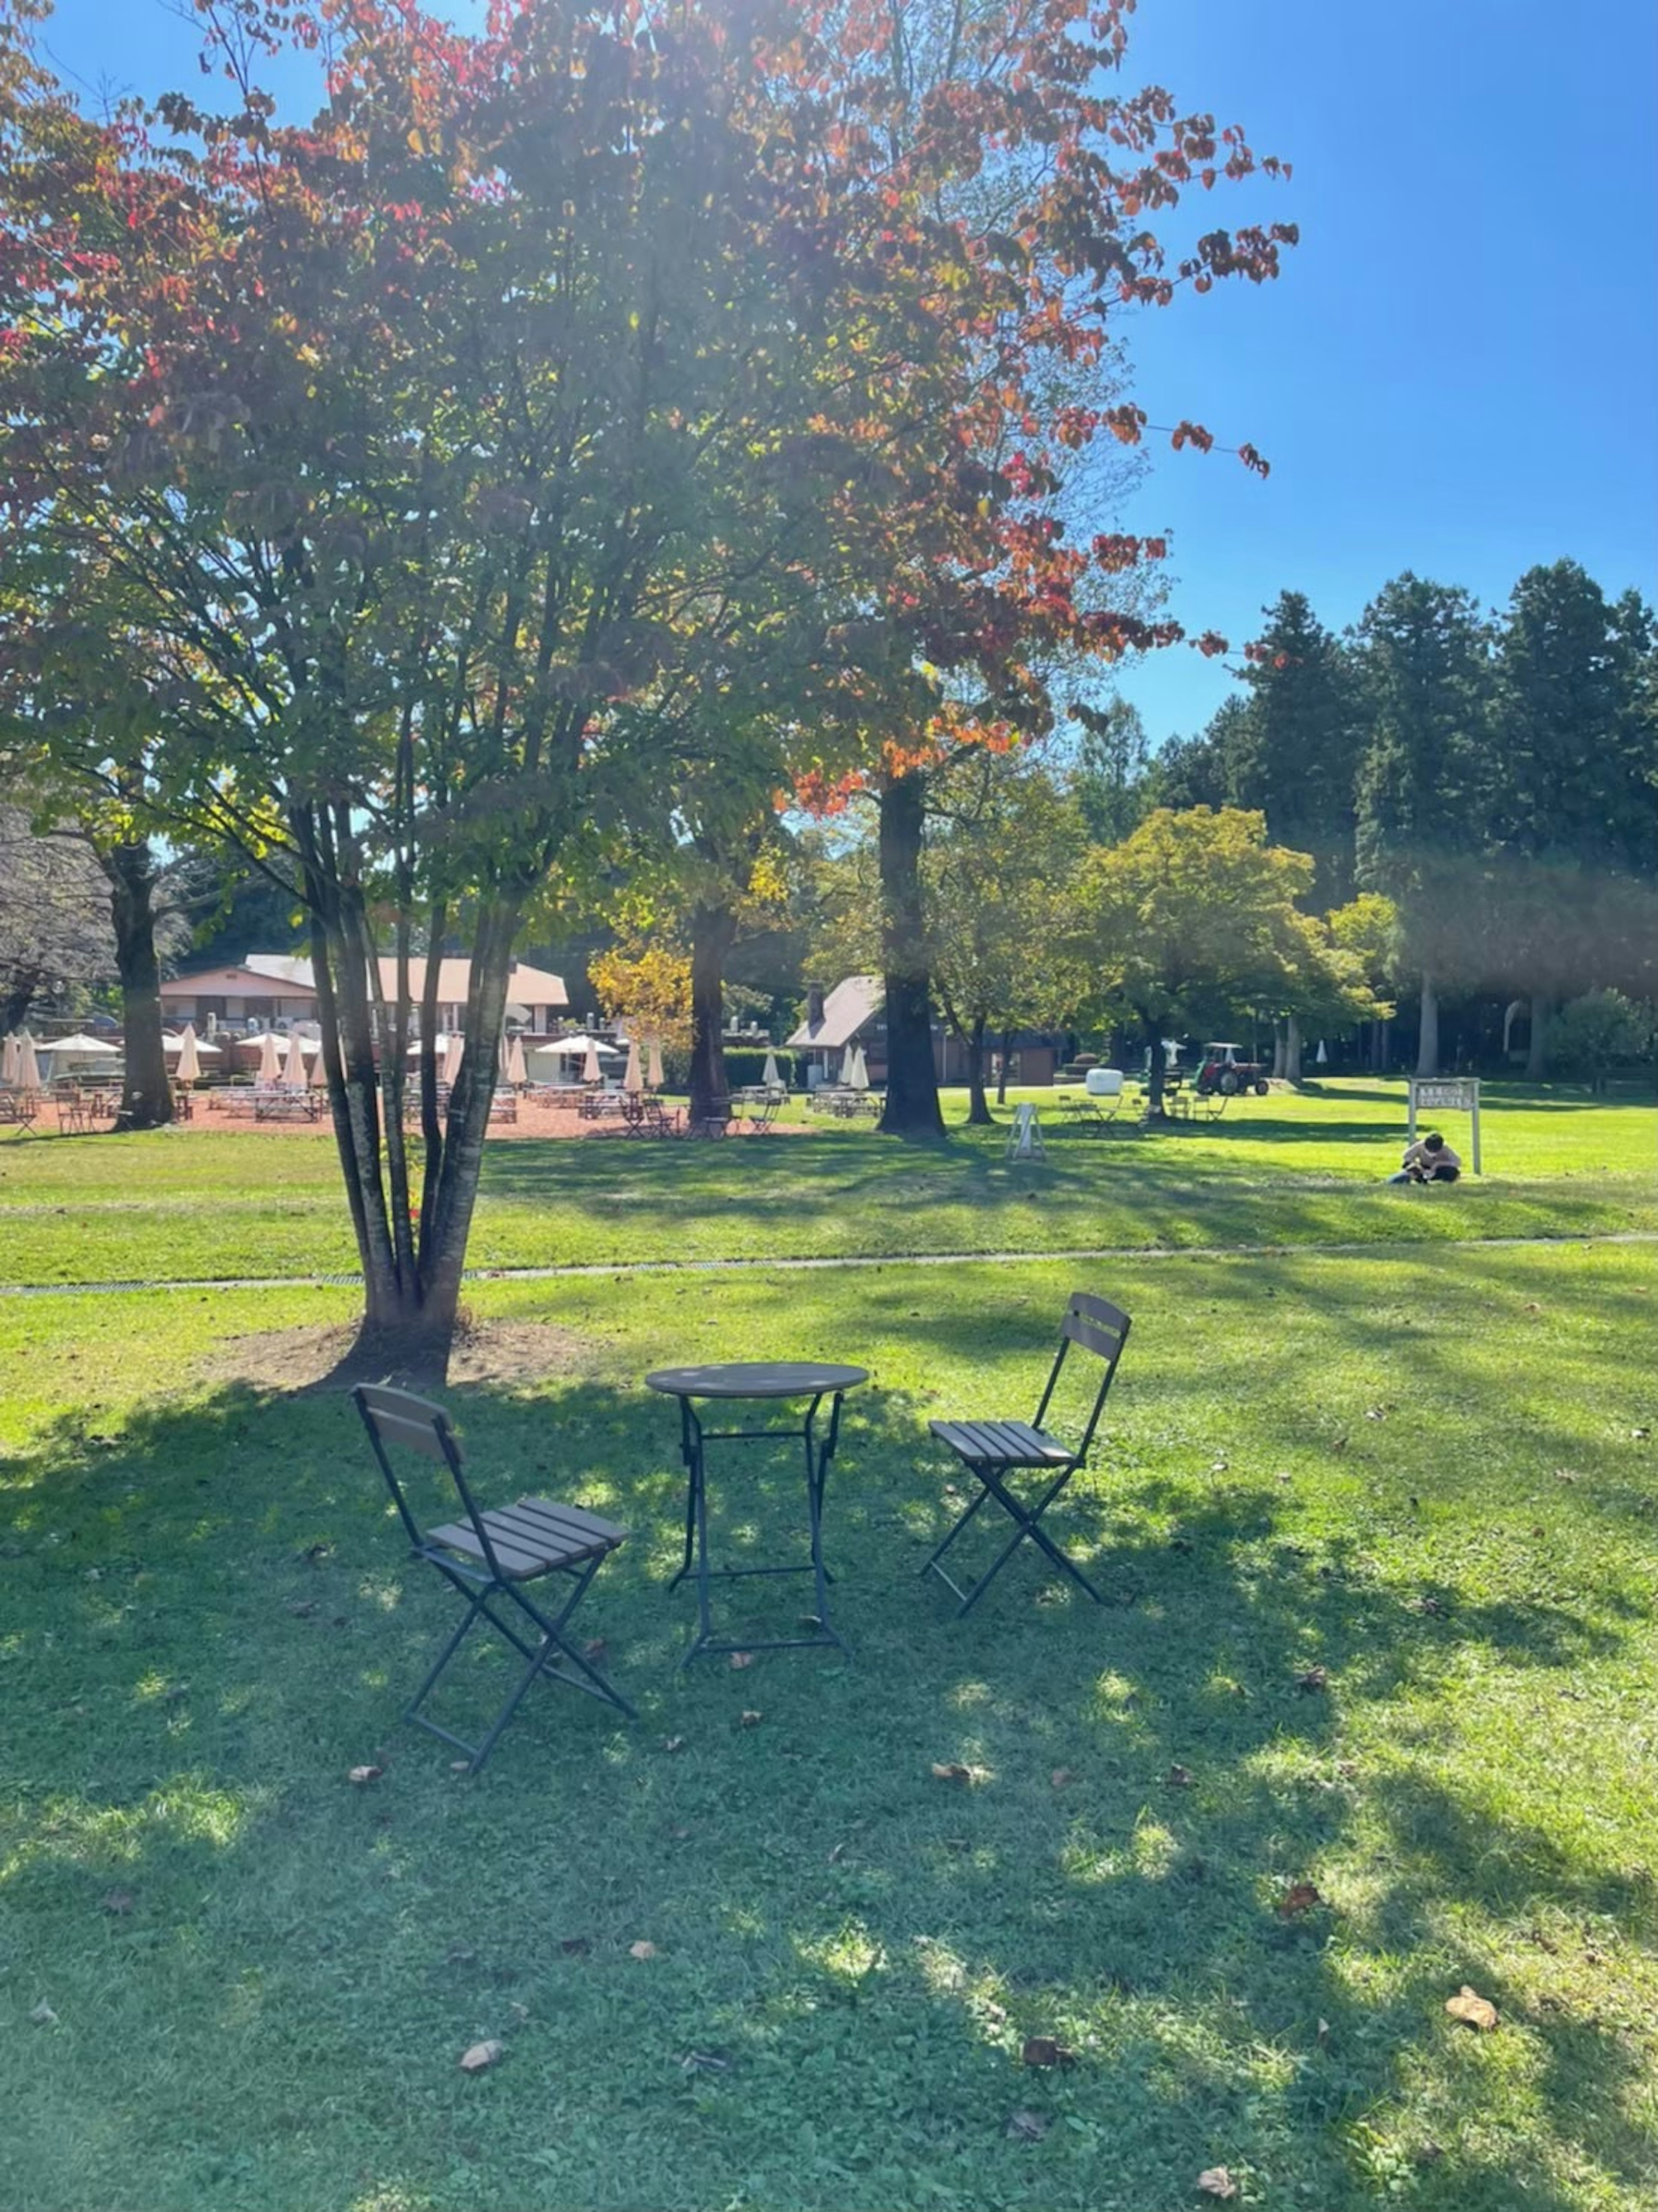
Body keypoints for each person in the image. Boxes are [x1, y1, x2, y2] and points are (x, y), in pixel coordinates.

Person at [1388, 1130, 1461, 1184]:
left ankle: (1444, 1181)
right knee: (1407, 1165)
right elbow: (1406, 1156)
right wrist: (1418, 1166)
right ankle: (1422, 1181)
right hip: (1423, 1168)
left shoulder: (1445, 1148)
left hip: (1439, 1170)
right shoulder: (1420, 1146)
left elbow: (1457, 1162)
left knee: (1453, 1172)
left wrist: (1439, 1164)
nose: (1431, 1153)